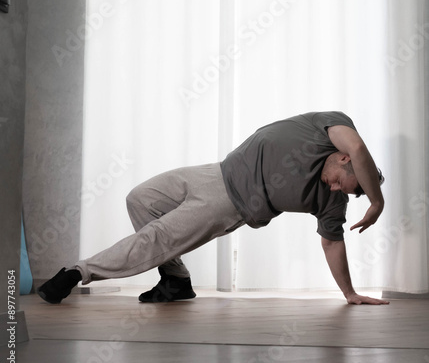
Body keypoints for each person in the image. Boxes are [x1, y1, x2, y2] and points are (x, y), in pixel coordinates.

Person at [37, 111, 389, 306]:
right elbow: (360, 147)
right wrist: (377, 202)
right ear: (345, 159)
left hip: (228, 204)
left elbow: (332, 243)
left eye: (343, 192)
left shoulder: (331, 201)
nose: (336, 189)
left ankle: (78, 273)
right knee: (140, 199)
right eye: (342, 182)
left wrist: (349, 293)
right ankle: (176, 280)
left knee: (157, 238)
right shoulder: (333, 127)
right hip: (215, 171)